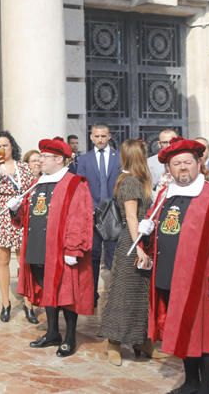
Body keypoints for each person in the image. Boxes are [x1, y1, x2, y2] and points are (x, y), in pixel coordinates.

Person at [137, 137, 209, 394]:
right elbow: (162, 235)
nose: (182, 168)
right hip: (169, 274)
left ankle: (205, 387)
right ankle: (191, 382)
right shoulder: (165, 195)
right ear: (168, 169)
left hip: (202, 278)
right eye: (176, 164)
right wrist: (148, 233)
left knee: (206, 335)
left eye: (187, 162)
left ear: (199, 163)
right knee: (185, 330)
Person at [9, 137, 94, 358]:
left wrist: (73, 249)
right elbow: (28, 216)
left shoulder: (75, 183)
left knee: (66, 294)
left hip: (61, 250)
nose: (40, 161)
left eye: (45, 157)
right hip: (37, 247)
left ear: (58, 159)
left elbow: (80, 218)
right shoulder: (37, 183)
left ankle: (70, 337)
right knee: (48, 290)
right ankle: (53, 332)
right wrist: (15, 210)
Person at [99, 139, 165, 365]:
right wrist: (138, 247)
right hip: (132, 242)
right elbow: (130, 217)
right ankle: (113, 344)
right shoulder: (129, 182)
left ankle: (143, 342)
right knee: (124, 293)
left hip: (142, 239)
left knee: (143, 295)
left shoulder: (139, 180)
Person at [0, 131, 38, 324]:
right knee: (2, 260)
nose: (2, 149)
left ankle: (29, 303)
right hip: (1, 215)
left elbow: (33, 190)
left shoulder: (23, 167)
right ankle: (5, 303)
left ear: (12, 146)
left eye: (6, 145)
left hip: (21, 215)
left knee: (24, 261)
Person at [77, 123, 120, 304]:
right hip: (92, 213)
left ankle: (113, 295)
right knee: (93, 255)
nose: (100, 139)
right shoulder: (84, 160)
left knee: (113, 255)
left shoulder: (119, 158)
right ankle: (91, 293)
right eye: (97, 136)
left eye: (103, 136)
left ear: (109, 136)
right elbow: (81, 185)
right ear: (91, 137)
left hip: (113, 213)